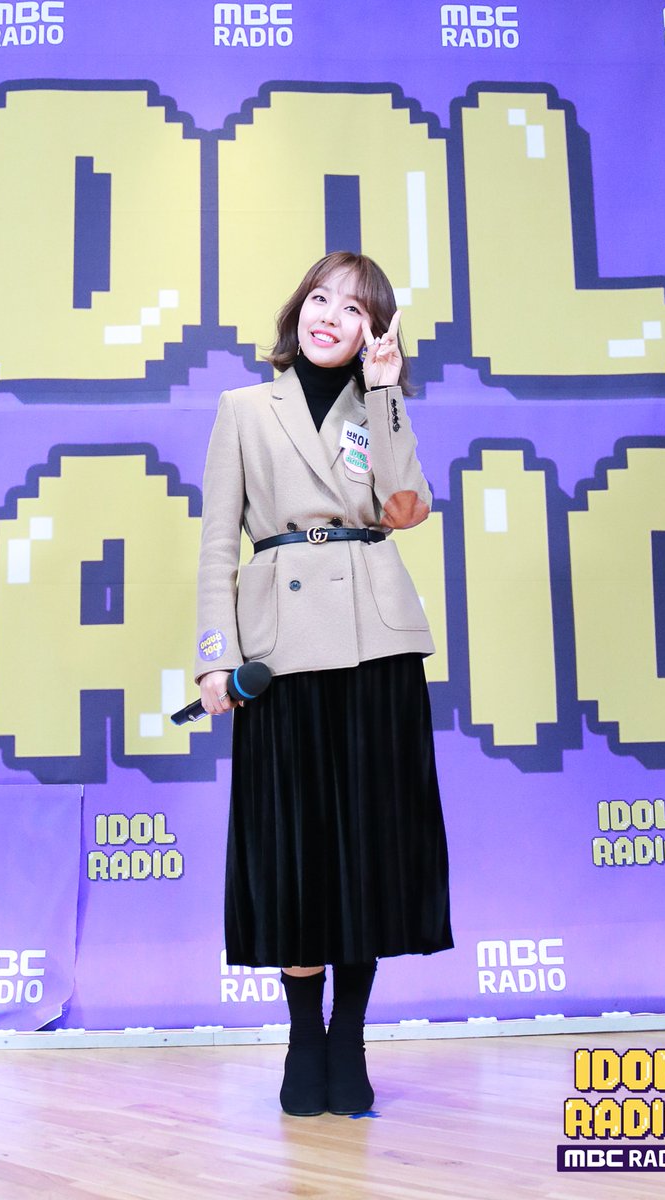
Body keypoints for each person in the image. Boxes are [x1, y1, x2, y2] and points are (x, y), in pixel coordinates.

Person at [195, 251, 453, 1117]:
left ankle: (352, 1037)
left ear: (374, 331)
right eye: (319, 297)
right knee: (295, 849)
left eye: (353, 308)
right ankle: (306, 1036)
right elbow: (217, 547)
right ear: (297, 308)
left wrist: (385, 393)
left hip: (375, 640)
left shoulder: (378, 407)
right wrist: (214, 656)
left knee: (365, 847)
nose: (329, 315)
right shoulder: (243, 409)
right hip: (282, 649)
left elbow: (404, 509)